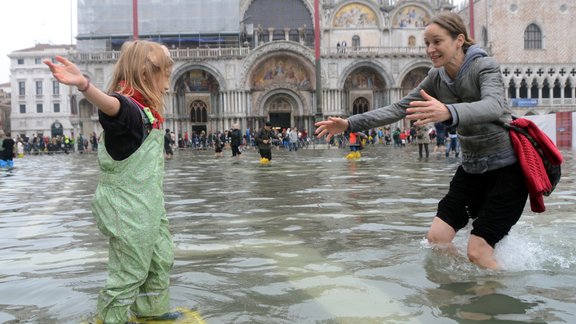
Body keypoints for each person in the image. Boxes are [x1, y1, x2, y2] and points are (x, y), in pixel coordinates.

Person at [315, 12, 527, 270]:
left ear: (459, 40)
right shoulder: (436, 78)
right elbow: (398, 109)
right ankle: (475, 285)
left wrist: (450, 112)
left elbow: (494, 106)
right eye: (427, 43)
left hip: (507, 171)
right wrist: (349, 123)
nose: (430, 49)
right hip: (472, 169)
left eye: (437, 42)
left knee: (478, 251)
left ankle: (498, 299)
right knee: (436, 240)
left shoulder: (485, 66)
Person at [44, 40, 183, 322]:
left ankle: (153, 310)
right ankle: (111, 319)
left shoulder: (147, 114)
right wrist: (84, 85)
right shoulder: (129, 112)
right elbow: (113, 106)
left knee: (160, 257)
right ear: (146, 74)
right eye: (165, 76)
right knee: (129, 271)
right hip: (127, 208)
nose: (168, 86)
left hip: (150, 205)